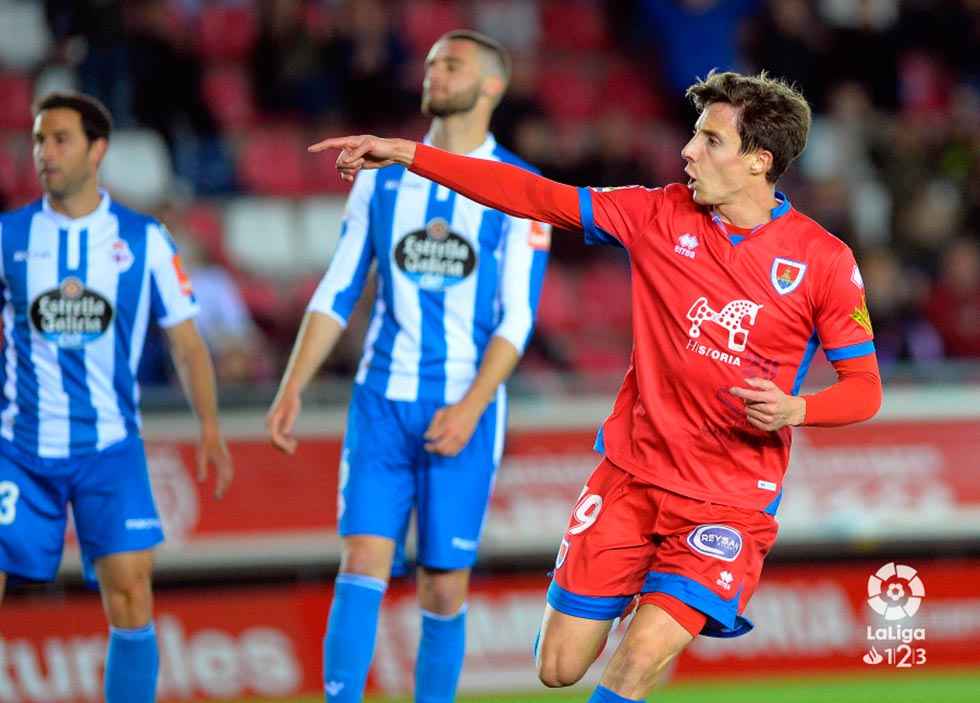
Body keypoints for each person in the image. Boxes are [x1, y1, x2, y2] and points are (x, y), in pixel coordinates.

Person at [311, 70, 883, 703]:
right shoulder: (656, 213)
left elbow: (864, 389)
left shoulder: (823, 261)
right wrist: (410, 154)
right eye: (693, 135)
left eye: (710, 141)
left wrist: (797, 408)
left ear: (759, 161)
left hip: (727, 502)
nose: (688, 152)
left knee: (637, 660)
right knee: (558, 666)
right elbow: (536, 196)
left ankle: (665, 603)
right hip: (631, 478)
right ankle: (638, 588)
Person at [266, 30, 549, 703]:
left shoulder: (520, 188)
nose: (435, 71)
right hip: (382, 397)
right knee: (361, 559)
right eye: (430, 62)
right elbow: (339, 286)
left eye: (452, 64)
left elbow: (518, 315)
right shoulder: (383, 175)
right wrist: (291, 387)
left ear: (492, 85)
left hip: (465, 404)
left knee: (442, 582)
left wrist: (473, 405)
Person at [0, 92, 233, 703]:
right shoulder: (9, 235)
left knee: (131, 593)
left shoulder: (144, 239)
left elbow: (186, 343)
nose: (44, 153)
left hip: (109, 447)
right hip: (19, 447)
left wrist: (209, 427)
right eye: (37, 140)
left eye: (60, 139)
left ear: (97, 149)